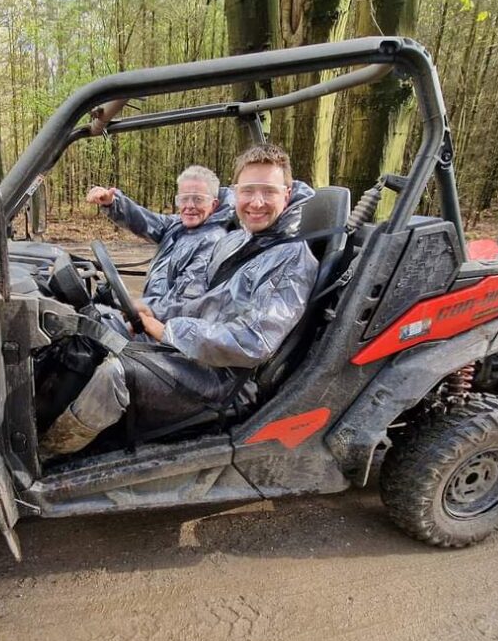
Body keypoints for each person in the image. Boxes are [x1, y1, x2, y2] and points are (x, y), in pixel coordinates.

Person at [42, 143, 318, 456]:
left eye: (268, 191)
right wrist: (153, 310)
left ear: (288, 192)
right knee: (96, 331)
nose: (256, 202)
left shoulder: (291, 259)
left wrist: (166, 330)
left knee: (114, 374)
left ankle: (50, 454)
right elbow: (208, 304)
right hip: (200, 355)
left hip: (226, 380)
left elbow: (253, 341)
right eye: (248, 190)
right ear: (236, 192)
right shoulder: (243, 240)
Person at [86, 166, 234, 318]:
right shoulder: (178, 225)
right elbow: (145, 221)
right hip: (153, 314)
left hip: (166, 329)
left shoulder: (213, 242)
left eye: (198, 199)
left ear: (214, 204)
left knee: (85, 327)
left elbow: (184, 302)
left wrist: (141, 310)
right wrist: (112, 203)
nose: (189, 206)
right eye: (184, 198)